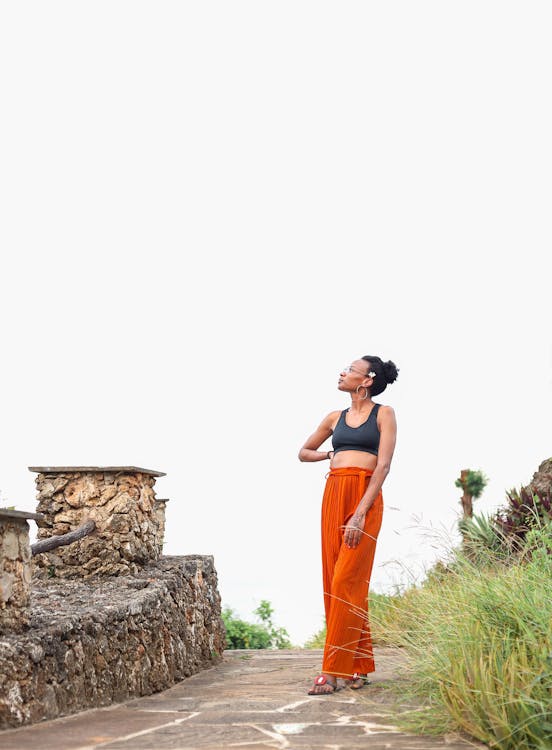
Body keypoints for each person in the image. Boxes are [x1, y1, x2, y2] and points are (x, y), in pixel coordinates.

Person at [298, 355, 398, 695]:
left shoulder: (384, 414)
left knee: (347, 580)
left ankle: (332, 670)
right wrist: (331, 456)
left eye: (349, 369)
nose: (342, 373)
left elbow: (382, 467)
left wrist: (359, 513)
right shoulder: (333, 418)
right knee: (335, 582)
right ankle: (358, 665)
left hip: (364, 497)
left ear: (367, 379)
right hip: (333, 493)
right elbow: (303, 452)